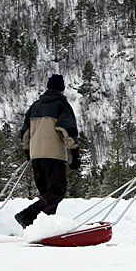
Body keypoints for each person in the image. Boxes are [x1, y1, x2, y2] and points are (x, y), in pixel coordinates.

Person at [14, 74, 80, 228]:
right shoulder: (61, 104)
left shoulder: (35, 106)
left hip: (36, 155)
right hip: (54, 154)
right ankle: (28, 215)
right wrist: (74, 153)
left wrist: (27, 152)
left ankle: (45, 227)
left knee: (47, 195)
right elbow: (68, 130)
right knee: (57, 191)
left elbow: (25, 133)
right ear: (62, 89)